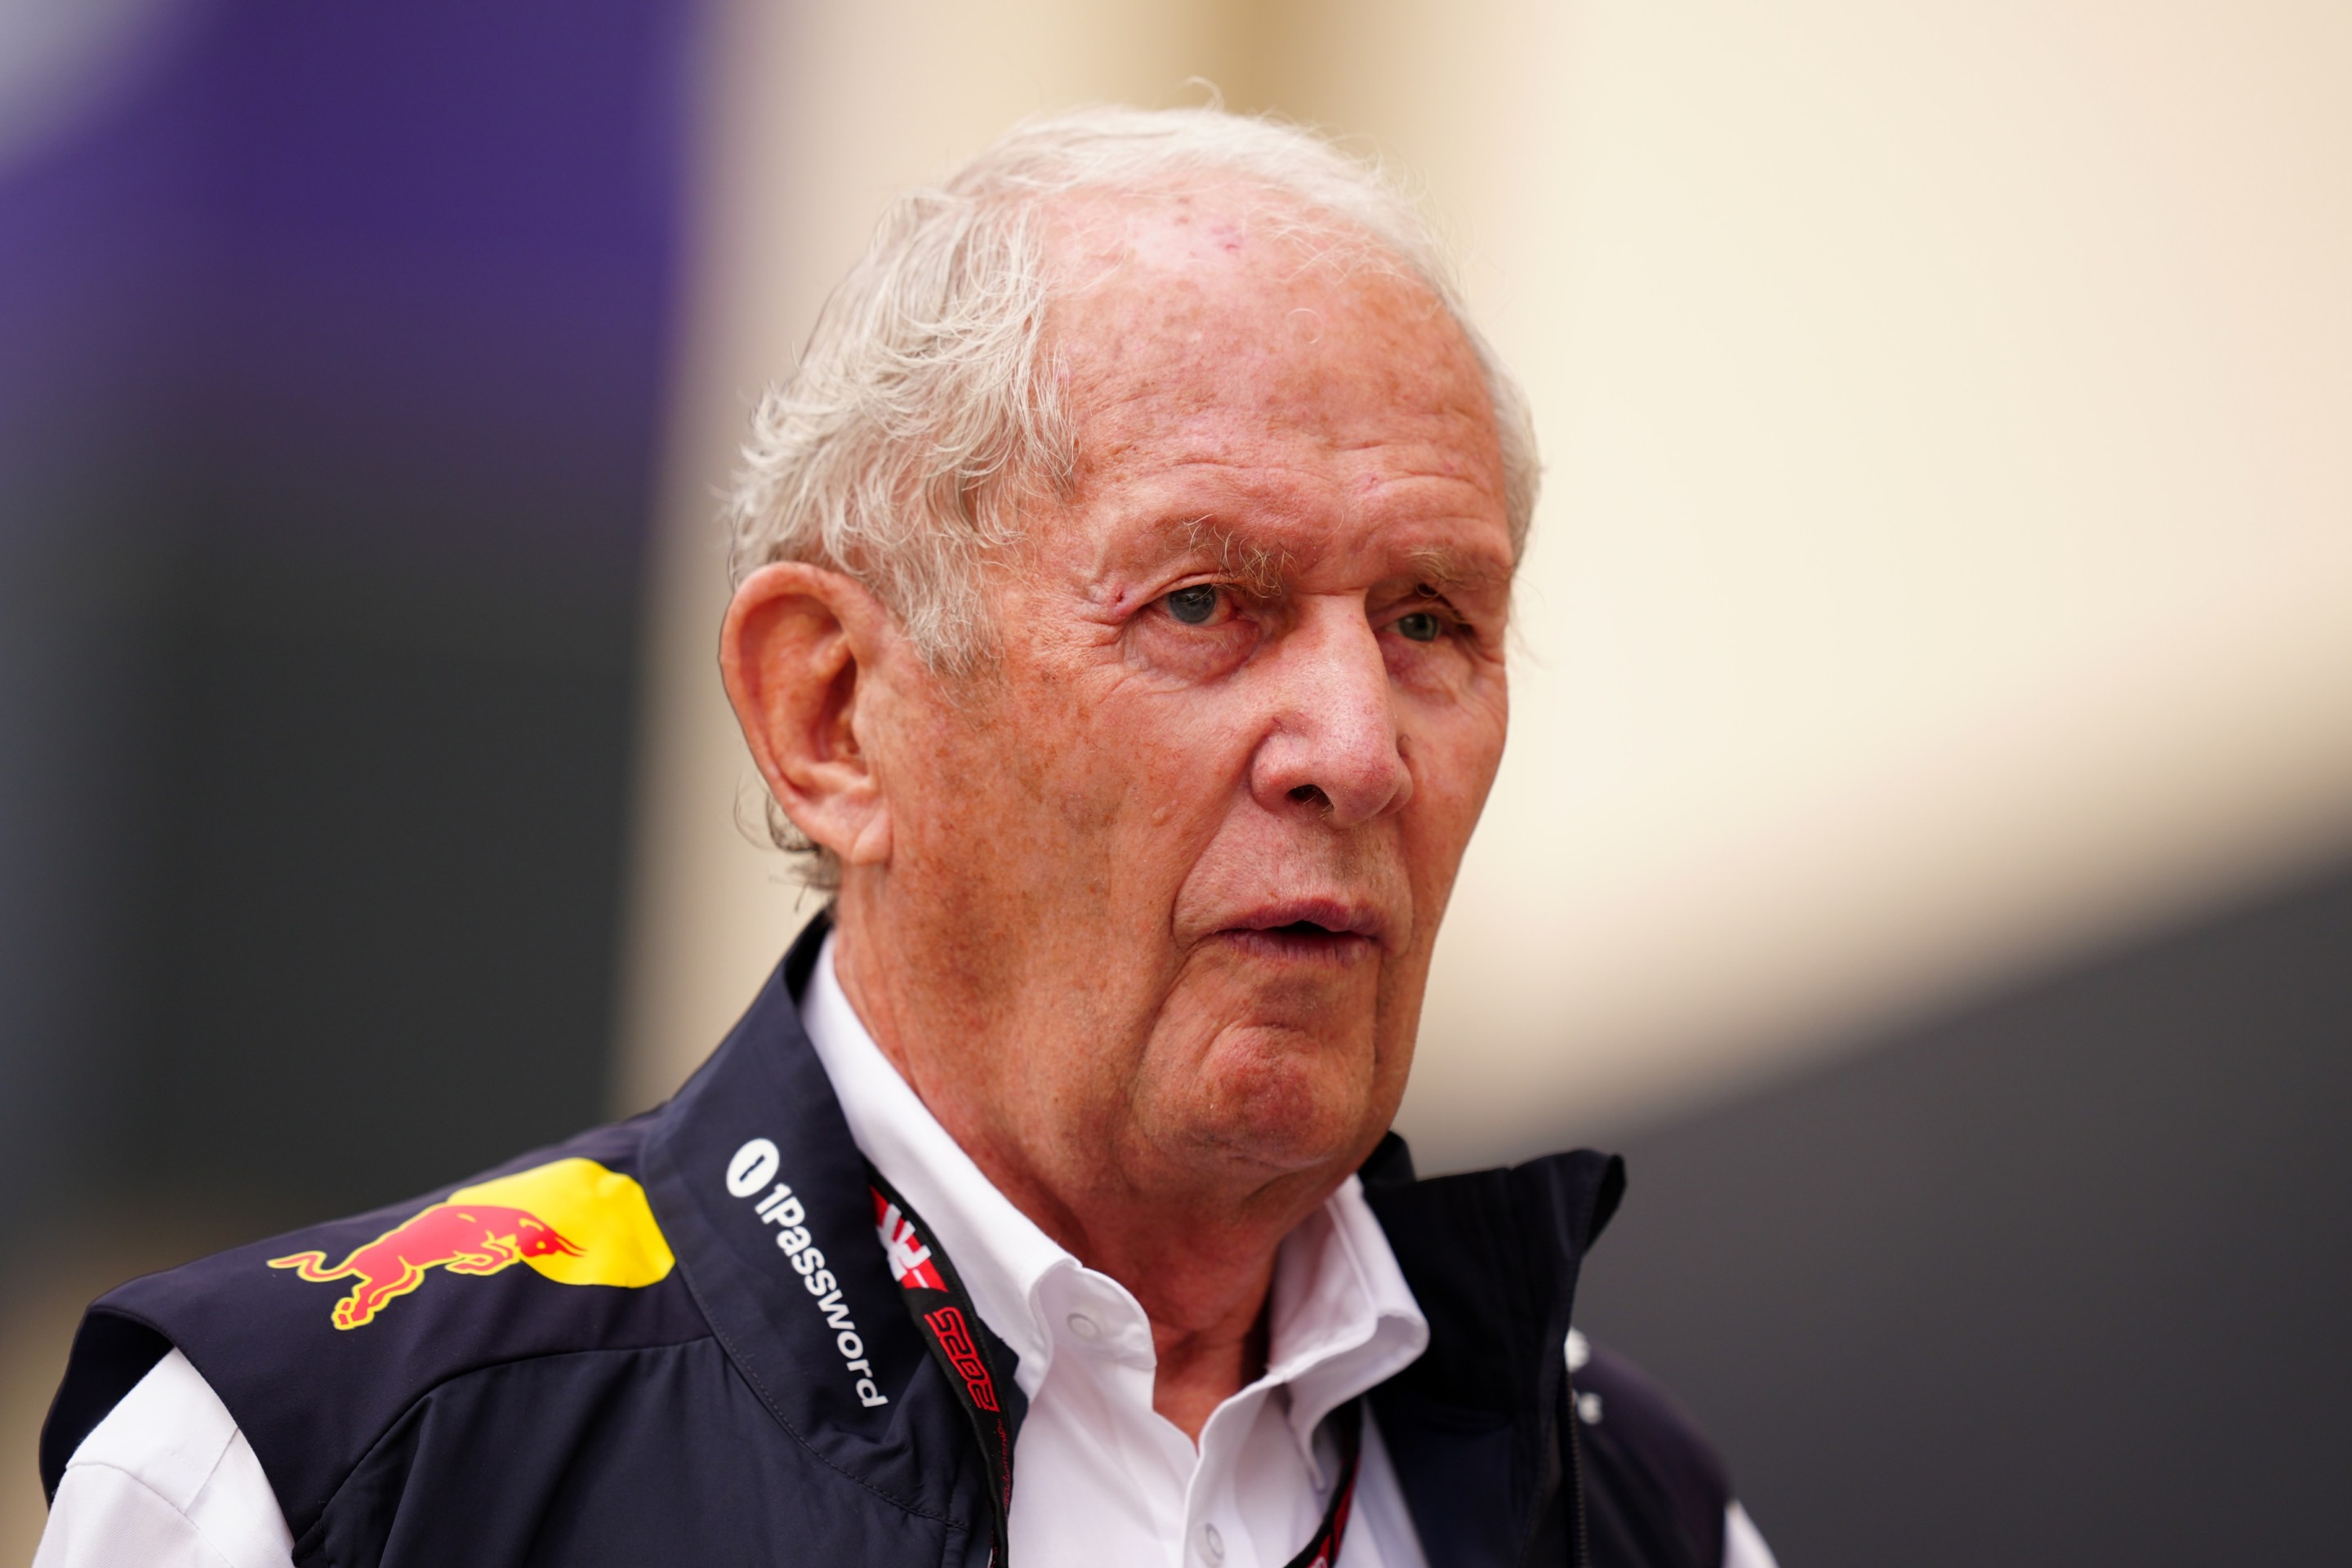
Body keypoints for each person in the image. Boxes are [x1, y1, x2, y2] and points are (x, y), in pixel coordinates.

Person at [36, 106, 1776, 1568]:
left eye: (1429, 620)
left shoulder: (1635, 1512)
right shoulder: (335, 1471)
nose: (1356, 748)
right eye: (1203, 602)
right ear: (834, 716)